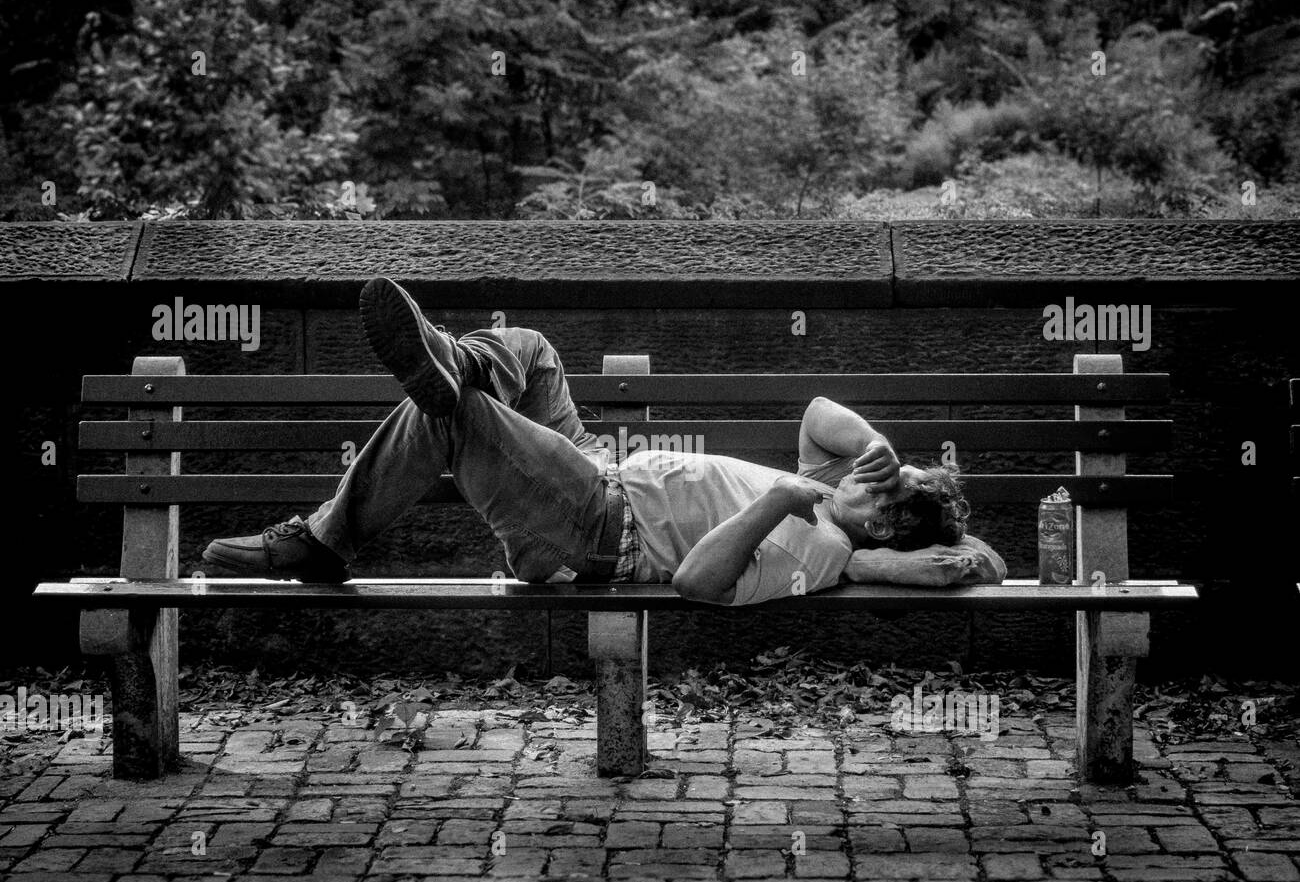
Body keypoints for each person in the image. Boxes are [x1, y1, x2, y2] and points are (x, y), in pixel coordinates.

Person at [204, 278, 1006, 604]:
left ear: (890, 524)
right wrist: (876, 442)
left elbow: (696, 582)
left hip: (596, 524)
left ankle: (322, 537)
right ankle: (456, 363)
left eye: (881, 489)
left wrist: (779, 501)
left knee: (452, 418)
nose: (860, 479)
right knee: (532, 348)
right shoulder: (828, 490)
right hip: (596, 468)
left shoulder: (823, 543)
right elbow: (818, 410)